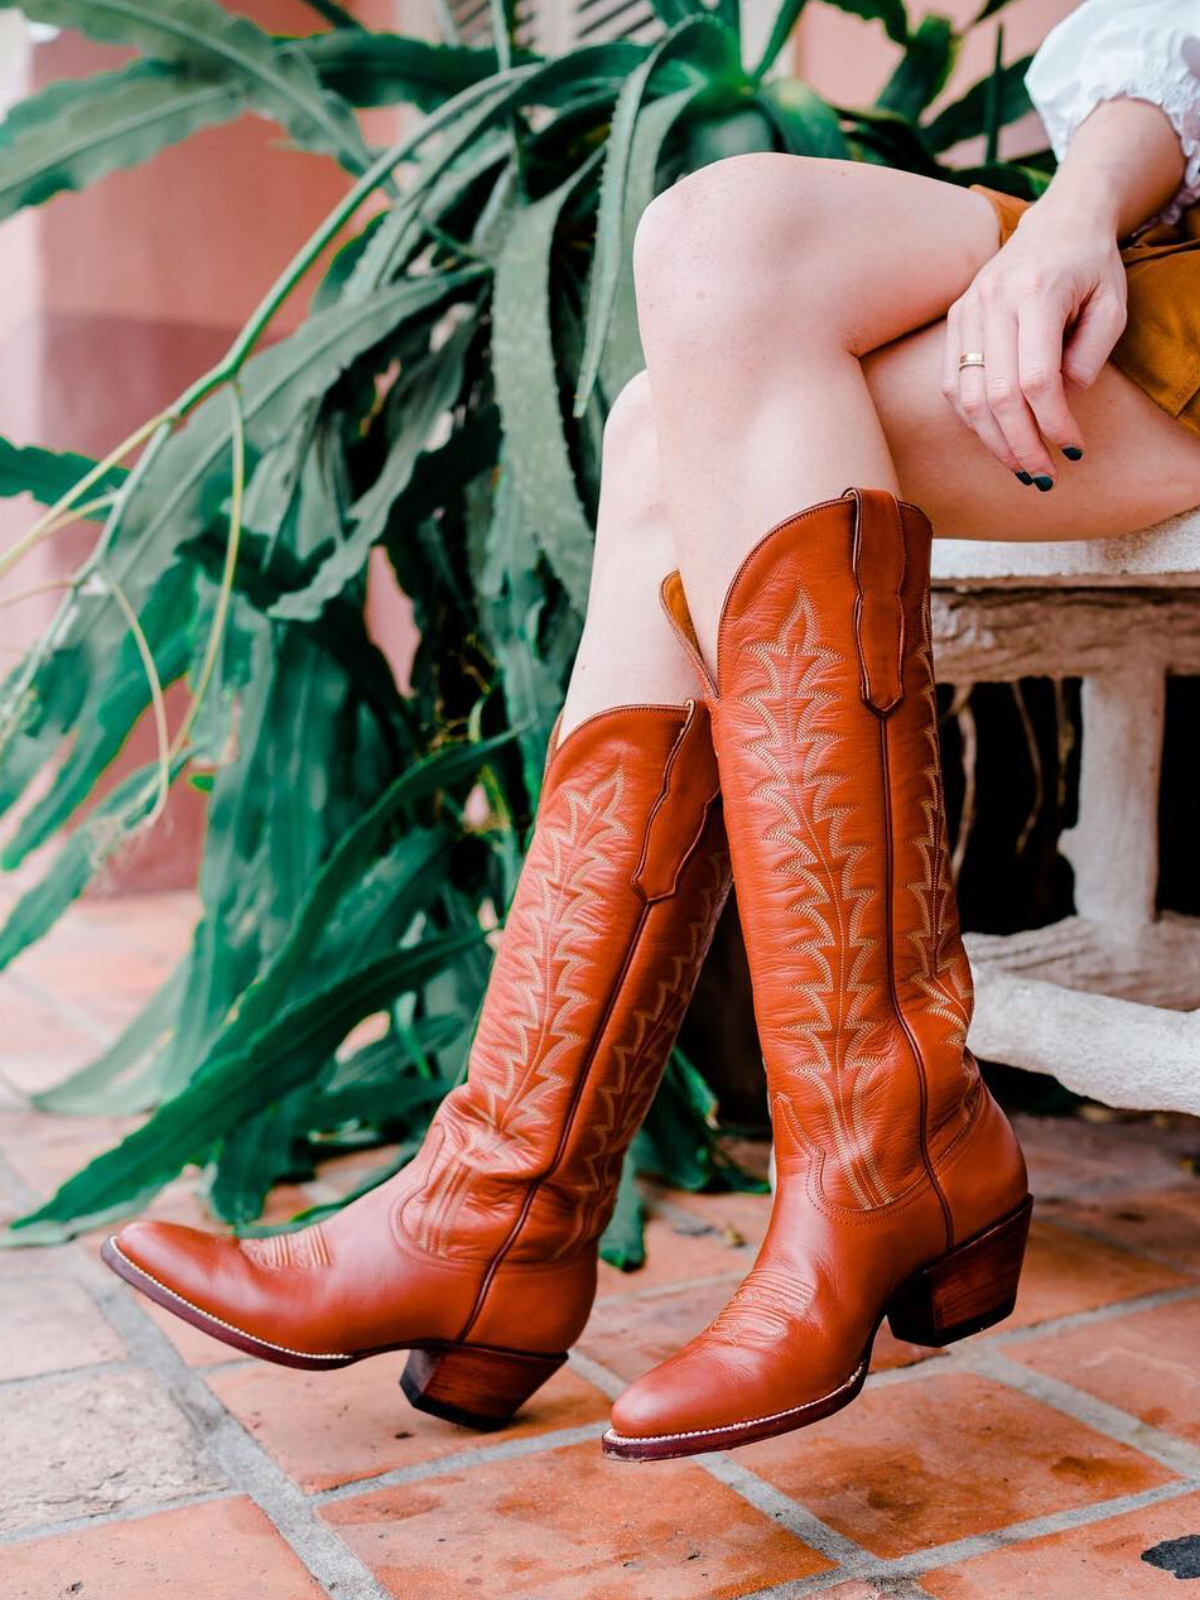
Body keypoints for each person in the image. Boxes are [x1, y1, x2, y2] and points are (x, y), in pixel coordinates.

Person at [102, 0, 1200, 1460]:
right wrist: (1072, 214)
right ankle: (754, 1161)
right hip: (1149, 258)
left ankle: (512, 1208)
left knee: (680, 401)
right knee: (698, 320)